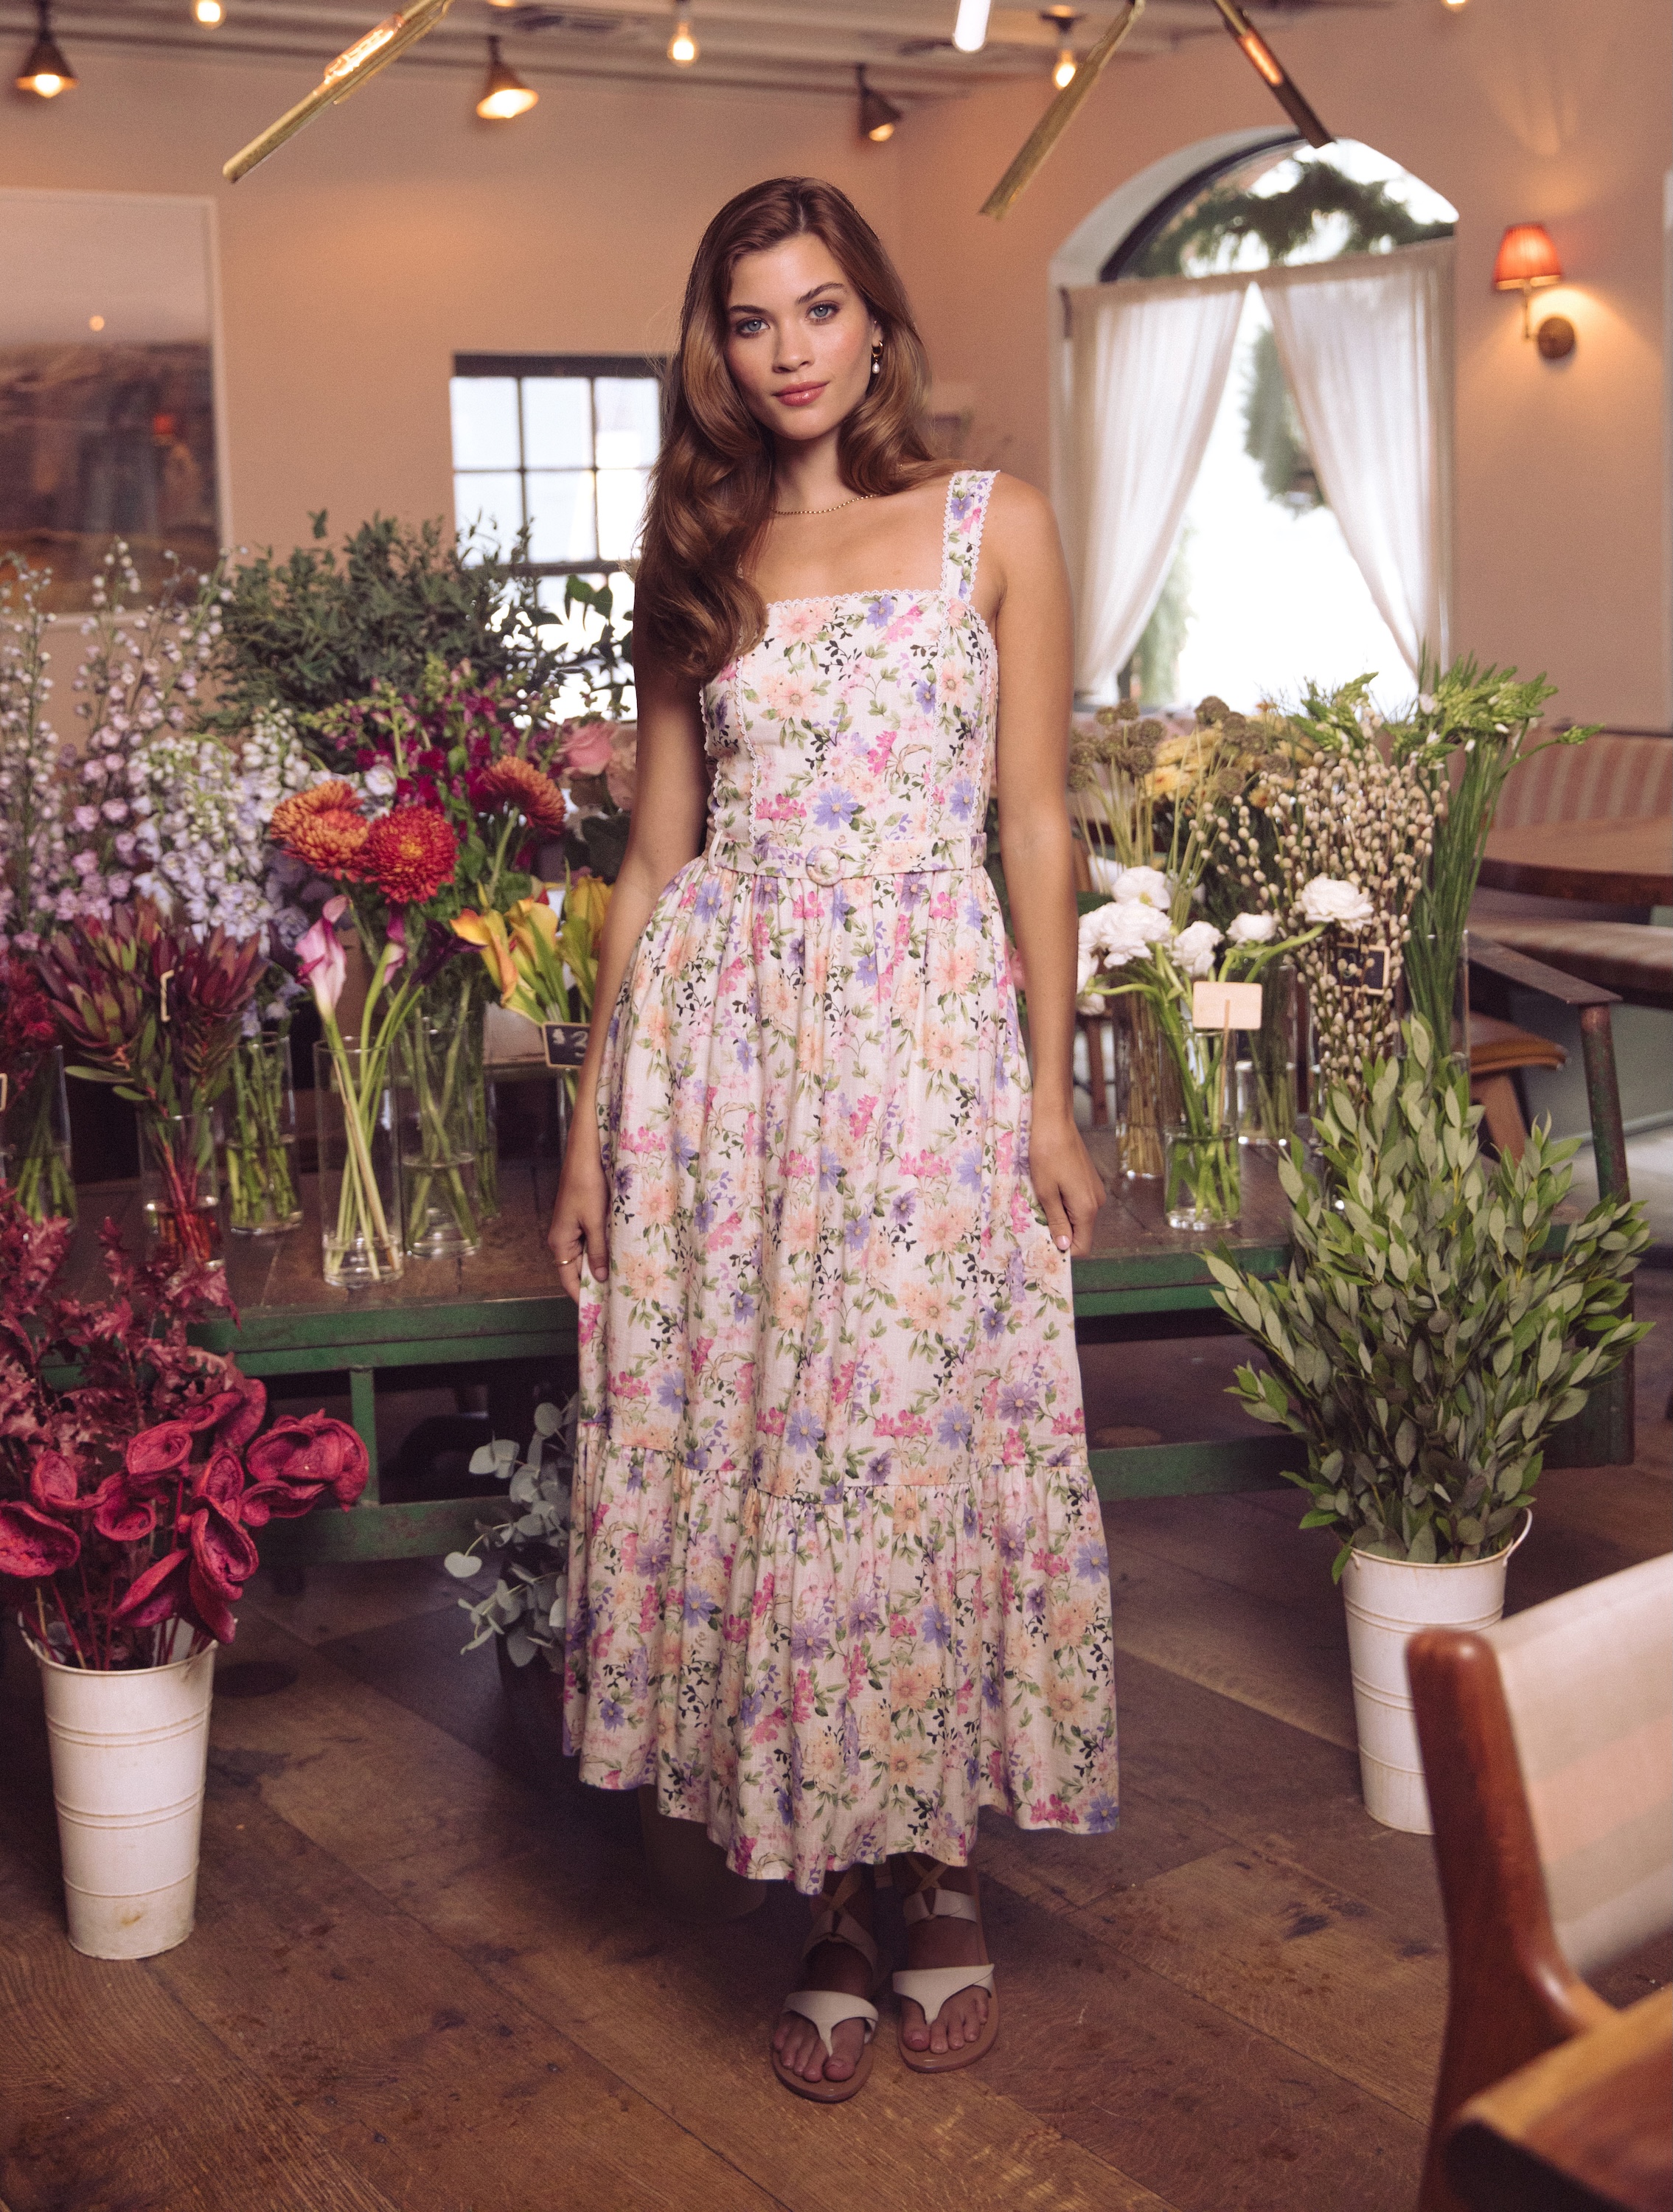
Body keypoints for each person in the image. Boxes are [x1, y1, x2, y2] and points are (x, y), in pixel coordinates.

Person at [548, 176, 1119, 2104]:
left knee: (913, 1439)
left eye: (819, 308)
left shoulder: (993, 525)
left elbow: (1035, 826)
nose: (788, 348)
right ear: (717, 347)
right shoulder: (698, 548)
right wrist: (587, 1133)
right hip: (731, 1066)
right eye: (752, 319)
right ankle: (830, 1901)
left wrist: (1049, 1090)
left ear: (878, 322)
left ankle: (936, 1858)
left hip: (928, 1060)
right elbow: (652, 859)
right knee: (790, 1451)